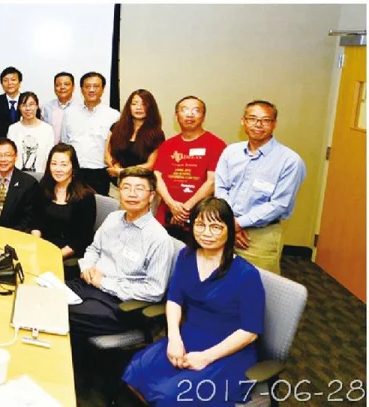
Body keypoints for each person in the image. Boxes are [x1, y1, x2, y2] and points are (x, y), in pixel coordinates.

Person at [123, 197, 266, 407]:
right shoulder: (187, 256)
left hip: (227, 351)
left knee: (173, 396)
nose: (206, 233)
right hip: (188, 337)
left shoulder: (247, 275)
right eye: (200, 225)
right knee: (136, 370)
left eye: (215, 227)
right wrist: (174, 338)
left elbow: (250, 331)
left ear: (229, 230)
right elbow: (174, 299)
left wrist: (206, 357)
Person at [70, 167, 175, 337]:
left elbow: (154, 290)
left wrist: (104, 283)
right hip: (87, 284)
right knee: (47, 296)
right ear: (119, 192)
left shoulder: (159, 239)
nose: (132, 194)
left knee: (61, 312)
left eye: (139, 189)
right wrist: (87, 267)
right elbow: (94, 249)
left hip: (119, 303)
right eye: (126, 187)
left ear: (151, 196)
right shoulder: (113, 218)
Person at [214, 100, 306, 274]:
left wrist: (237, 224)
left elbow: (279, 205)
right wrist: (231, 223)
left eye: (265, 120)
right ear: (243, 121)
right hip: (225, 228)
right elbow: (221, 188)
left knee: (258, 285)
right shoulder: (231, 152)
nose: (258, 124)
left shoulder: (290, 161)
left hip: (260, 236)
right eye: (252, 118)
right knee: (219, 281)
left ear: (274, 124)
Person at [154, 96, 227, 242]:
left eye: (196, 110)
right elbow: (157, 176)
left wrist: (185, 209)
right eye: (184, 110)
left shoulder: (216, 144)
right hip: (166, 214)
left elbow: (212, 181)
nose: (190, 114)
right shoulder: (168, 145)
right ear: (176, 116)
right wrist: (171, 204)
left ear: (203, 116)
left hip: (199, 217)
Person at [30, 144, 96, 281]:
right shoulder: (44, 188)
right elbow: (36, 222)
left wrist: (54, 256)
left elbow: (82, 239)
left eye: (63, 165)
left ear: (73, 167)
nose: (58, 169)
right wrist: (38, 246)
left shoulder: (85, 196)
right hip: (43, 248)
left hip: (69, 256)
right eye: (54, 164)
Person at [61, 71, 120, 196]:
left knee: (99, 205)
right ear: (81, 89)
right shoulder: (69, 113)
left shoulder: (114, 116)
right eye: (87, 86)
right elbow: (65, 143)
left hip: (100, 173)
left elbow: (116, 147)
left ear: (103, 89)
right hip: (74, 172)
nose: (91, 90)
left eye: (96, 86)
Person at [104, 89, 165, 189]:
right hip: (116, 185)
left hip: (142, 185)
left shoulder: (157, 133)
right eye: (134, 104)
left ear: (150, 108)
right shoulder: (116, 127)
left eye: (144, 104)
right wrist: (116, 168)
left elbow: (150, 164)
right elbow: (107, 155)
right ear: (129, 106)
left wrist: (122, 172)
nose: (138, 107)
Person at [6, 92, 55, 173]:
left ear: (37, 106)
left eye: (31, 104)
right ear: (19, 107)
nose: (28, 108)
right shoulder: (13, 129)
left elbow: (49, 156)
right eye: (24, 105)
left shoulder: (47, 129)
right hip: (17, 176)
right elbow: (9, 155)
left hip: (40, 175)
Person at [41, 72, 76, 144]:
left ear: (73, 87)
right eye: (58, 85)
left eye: (66, 84)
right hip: (52, 149)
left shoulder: (81, 107)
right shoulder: (46, 108)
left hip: (76, 150)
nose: (62, 87)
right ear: (54, 88)